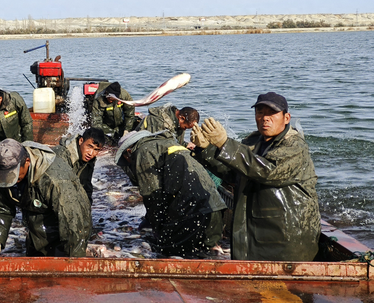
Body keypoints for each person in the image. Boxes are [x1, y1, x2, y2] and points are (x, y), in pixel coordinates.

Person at [191, 92, 321, 261]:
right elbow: (233, 174)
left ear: (286, 118)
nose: (265, 118)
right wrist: (206, 149)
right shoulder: (253, 141)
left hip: (287, 238)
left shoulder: (295, 145)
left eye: (272, 113)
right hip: (256, 236)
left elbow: (267, 171)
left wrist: (225, 144)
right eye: (260, 113)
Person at [115, 130, 227, 258]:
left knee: (165, 251)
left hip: (193, 214)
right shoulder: (167, 143)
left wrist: (157, 229)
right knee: (209, 256)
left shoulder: (142, 151)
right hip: (215, 209)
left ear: (129, 151)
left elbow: (152, 196)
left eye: (127, 159)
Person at [0, 138, 92, 258]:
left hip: (66, 229)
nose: (10, 179)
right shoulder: (4, 171)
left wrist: (74, 261)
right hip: (36, 229)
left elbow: (73, 222)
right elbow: (1, 206)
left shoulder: (56, 179)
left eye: (13, 174)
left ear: (27, 161)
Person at [0, 88, 33, 164]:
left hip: (18, 141)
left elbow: (27, 123)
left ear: (0, 99)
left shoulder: (15, 100)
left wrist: (28, 148)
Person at [55, 127, 106, 204]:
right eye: (90, 146)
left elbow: (86, 186)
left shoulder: (89, 161)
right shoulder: (63, 155)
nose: (91, 153)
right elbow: (59, 190)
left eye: (96, 150)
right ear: (81, 141)